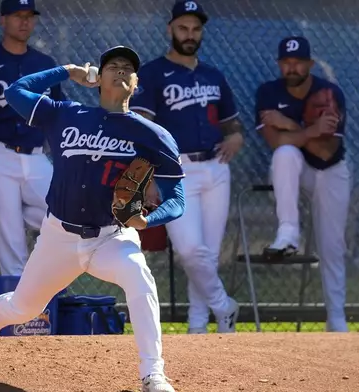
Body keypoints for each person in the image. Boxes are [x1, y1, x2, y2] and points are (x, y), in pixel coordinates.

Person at [0, 46, 186, 392]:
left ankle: (153, 373)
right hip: (59, 236)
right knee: (23, 308)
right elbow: (15, 92)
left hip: (110, 237)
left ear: (136, 83)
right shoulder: (65, 114)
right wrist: (66, 70)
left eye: (127, 68)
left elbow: (177, 198)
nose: (120, 71)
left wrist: (148, 222)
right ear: (98, 78)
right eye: (112, 66)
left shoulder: (152, 135)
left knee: (140, 277)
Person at [129, 0, 242, 334]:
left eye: (195, 29)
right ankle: (225, 306)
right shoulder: (151, 73)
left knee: (208, 254)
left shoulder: (213, 75)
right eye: (183, 27)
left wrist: (236, 138)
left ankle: (197, 326)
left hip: (217, 169)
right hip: (174, 173)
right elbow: (142, 130)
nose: (189, 35)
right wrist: (147, 176)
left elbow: (233, 127)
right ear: (170, 29)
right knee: (190, 251)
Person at [0, 0, 66, 276]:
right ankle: (23, 318)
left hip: (36, 156)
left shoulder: (44, 65)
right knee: (14, 259)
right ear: (2, 20)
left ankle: (3, 224)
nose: (24, 21)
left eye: (29, 16)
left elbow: (57, 119)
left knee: (69, 214)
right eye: (17, 16)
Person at [254, 36, 350, 332]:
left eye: (298, 62)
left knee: (332, 246)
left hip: (331, 169)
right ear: (279, 64)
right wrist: (310, 130)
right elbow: (275, 142)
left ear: (309, 63)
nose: (292, 67)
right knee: (285, 154)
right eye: (286, 62)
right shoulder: (268, 92)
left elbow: (326, 150)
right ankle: (288, 233)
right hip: (294, 170)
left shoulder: (329, 92)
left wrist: (291, 125)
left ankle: (336, 318)